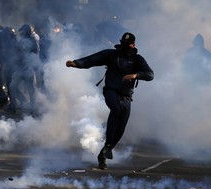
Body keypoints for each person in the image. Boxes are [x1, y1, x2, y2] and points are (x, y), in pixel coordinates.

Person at [66, 32, 154, 170]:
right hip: (111, 91)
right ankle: (108, 146)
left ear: (133, 45)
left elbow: (150, 75)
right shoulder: (111, 55)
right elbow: (92, 60)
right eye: (124, 44)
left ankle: (104, 153)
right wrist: (76, 63)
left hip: (126, 96)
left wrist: (136, 75)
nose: (126, 47)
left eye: (129, 44)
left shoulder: (138, 59)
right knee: (116, 109)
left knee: (120, 130)